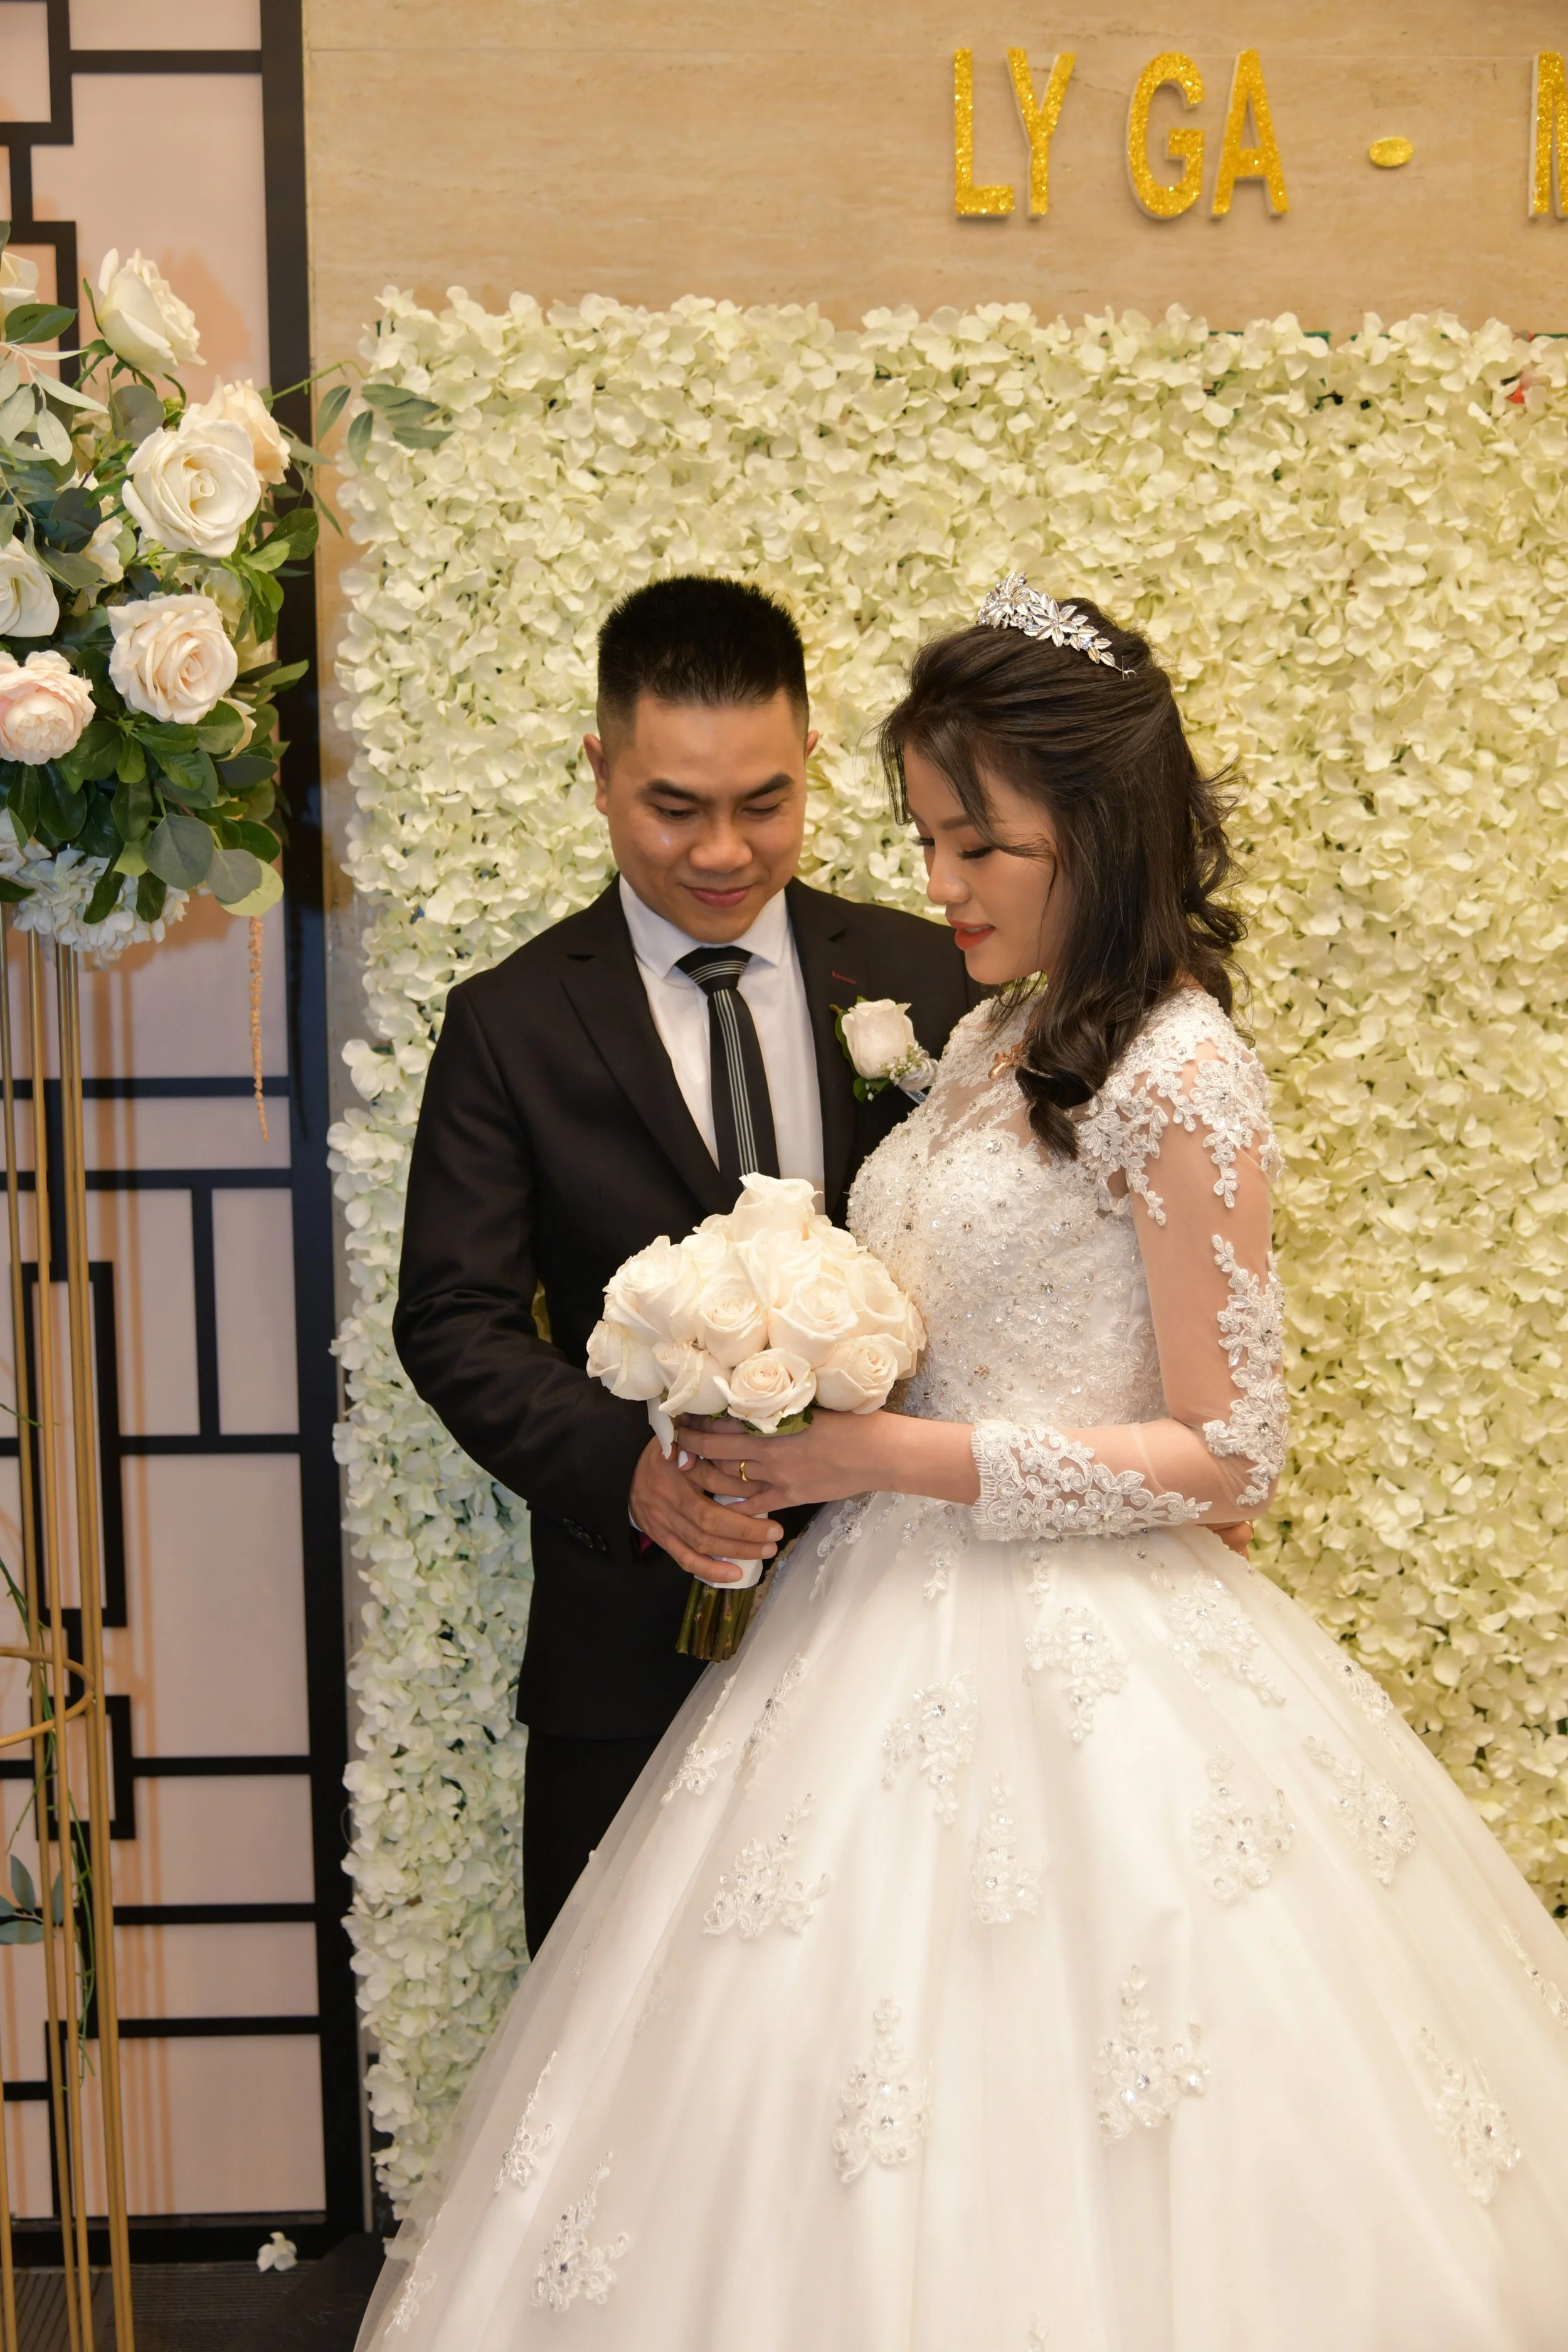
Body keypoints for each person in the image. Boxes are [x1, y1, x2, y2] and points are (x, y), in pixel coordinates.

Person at [364, 583, 1568, 2350]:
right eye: (927, 837)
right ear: (601, 775)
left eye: (974, 840)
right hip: (854, 1625)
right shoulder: (993, 1033)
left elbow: (1233, 1443)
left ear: (1087, 828)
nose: (938, 882)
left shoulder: (1178, 1067)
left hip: (1089, 1658)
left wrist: (875, 1442)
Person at [393, 576, 977, 1951]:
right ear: (598, 771)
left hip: (917, 1623)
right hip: (631, 1643)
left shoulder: (933, 978)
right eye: (674, 806)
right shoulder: (511, 1022)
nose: (723, 850)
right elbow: (454, 1316)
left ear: (813, 765)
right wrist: (635, 1480)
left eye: (763, 803)